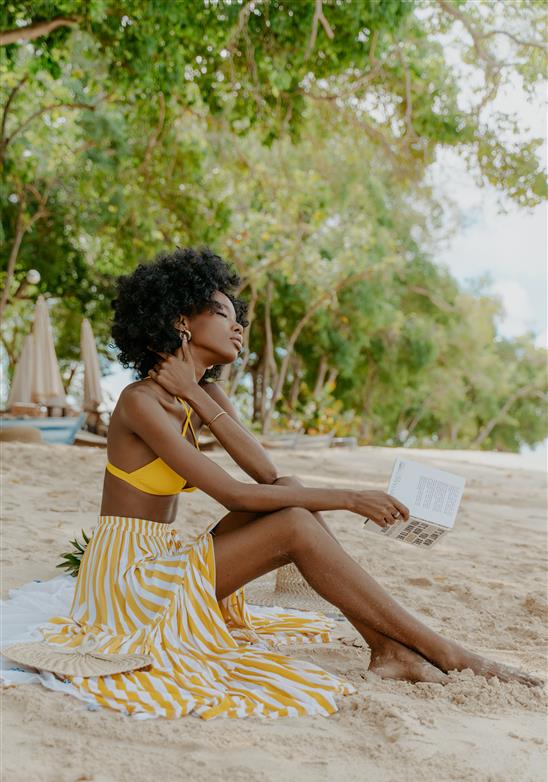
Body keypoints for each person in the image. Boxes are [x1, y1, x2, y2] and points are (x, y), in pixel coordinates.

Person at [38, 247, 540, 721]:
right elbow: (235, 496)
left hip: (163, 559)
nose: (238, 327)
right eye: (223, 312)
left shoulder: (203, 394)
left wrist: (196, 393)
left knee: (293, 491)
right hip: (127, 581)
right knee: (294, 525)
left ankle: (388, 648)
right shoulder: (139, 402)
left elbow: (269, 476)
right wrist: (350, 499)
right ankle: (438, 649)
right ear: (180, 321)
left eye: (239, 317)